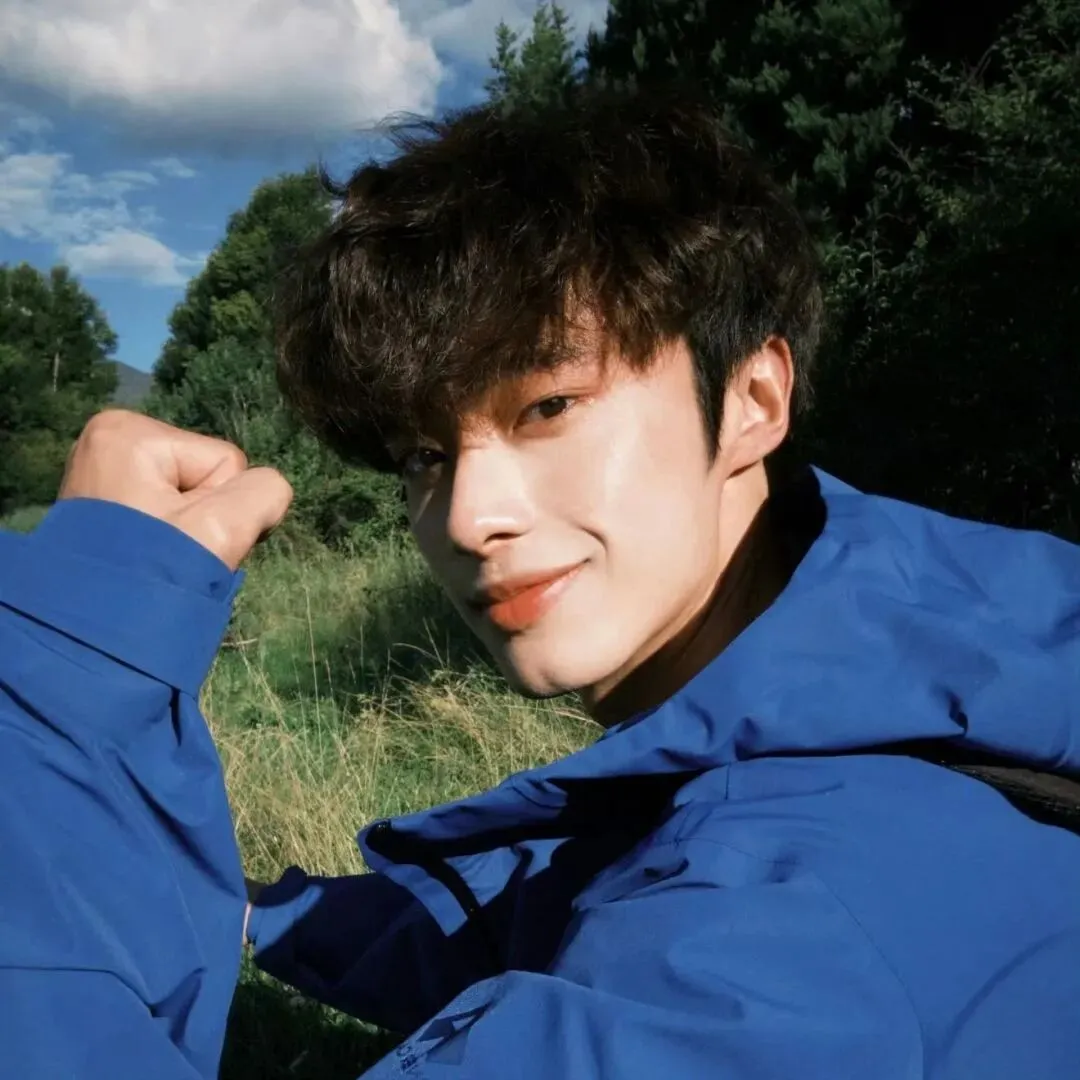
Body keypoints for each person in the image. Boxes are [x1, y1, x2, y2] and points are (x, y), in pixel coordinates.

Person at [1, 83, 1078, 1080]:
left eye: (547, 407)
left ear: (753, 398)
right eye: (425, 455)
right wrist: (261, 914)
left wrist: (72, 675)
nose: (468, 518)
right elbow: (587, 891)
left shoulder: (775, 936)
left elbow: (711, 953)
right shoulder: (946, 681)